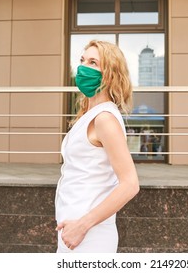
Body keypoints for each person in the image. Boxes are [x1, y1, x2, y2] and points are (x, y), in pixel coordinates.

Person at [55, 40, 140, 253]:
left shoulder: (104, 119)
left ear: (110, 73)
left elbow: (130, 184)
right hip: (72, 232)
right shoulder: (89, 114)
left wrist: (82, 226)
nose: (83, 67)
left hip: (89, 236)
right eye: (82, 60)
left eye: (93, 62)